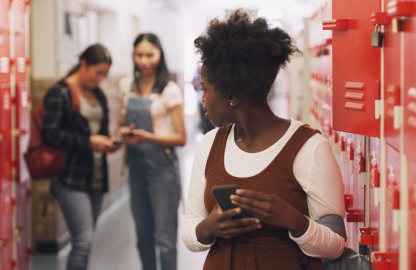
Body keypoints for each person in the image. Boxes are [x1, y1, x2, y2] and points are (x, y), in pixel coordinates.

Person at [182, 10, 346, 269]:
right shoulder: (210, 144)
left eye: (205, 89)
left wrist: (293, 220)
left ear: (232, 94)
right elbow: (190, 233)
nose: (202, 98)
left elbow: (336, 245)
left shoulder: (309, 148)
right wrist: (209, 227)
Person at [41, 44, 120, 270]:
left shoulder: (99, 95)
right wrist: (89, 142)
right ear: (83, 64)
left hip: (95, 176)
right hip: (70, 177)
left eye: (105, 74)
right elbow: (50, 133)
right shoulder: (61, 92)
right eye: (98, 72)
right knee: (82, 241)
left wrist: (108, 142)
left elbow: (100, 132)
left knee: (86, 239)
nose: (101, 78)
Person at [118, 33, 186, 270]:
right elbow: (120, 123)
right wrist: (125, 134)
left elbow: (180, 137)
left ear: (160, 55)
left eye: (150, 55)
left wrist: (147, 137)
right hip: (136, 167)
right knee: (142, 238)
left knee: (165, 240)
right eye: (139, 55)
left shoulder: (169, 89)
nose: (144, 61)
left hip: (162, 168)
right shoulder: (127, 86)